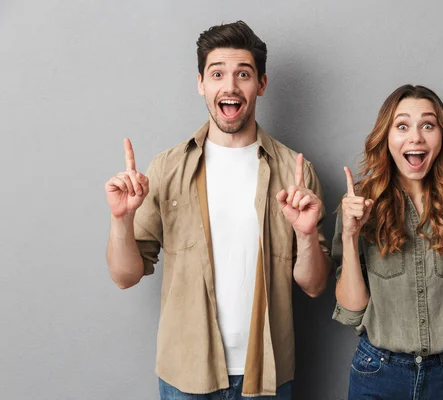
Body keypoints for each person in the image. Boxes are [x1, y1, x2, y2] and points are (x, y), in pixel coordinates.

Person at [104, 21, 331, 400]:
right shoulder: (167, 168)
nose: (229, 86)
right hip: (185, 375)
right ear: (201, 84)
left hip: (267, 376)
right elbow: (125, 276)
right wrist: (121, 220)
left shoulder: (296, 172)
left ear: (261, 84)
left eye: (243, 74)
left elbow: (315, 285)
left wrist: (306, 235)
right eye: (217, 74)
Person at [332, 84, 443, 399]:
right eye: (402, 126)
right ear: (387, 137)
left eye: (428, 125)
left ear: (442, 136)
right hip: (377, 373)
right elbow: (351, 309)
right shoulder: (359, 204)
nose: (416, 137)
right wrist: (350, 233)